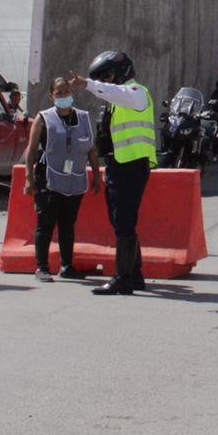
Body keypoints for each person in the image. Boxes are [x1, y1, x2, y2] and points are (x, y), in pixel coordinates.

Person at [70, 50, 157, 296]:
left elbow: (116, 93)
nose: (106, 82)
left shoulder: (137, 93)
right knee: (120, 219)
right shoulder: (118, 101)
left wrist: (87, 84)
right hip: (118, 165)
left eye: (107, 76)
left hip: (132, 165)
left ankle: (123, 278)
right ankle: (135, 273)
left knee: (124, 222)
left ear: (120, 73)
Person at [21, 76, 99, 282]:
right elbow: (31, 151)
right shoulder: (43, 118)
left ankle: (67, 266)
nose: (63, 96)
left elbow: (92, 150)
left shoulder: (83, 118)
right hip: (48, 178)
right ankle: (42, 267)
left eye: (66, 92)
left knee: (67, 224)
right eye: (59, 93)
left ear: (72, 93)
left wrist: (97, 176)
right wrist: (28, 178)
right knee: (45, 222)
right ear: (51, 96)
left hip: (75, 179)